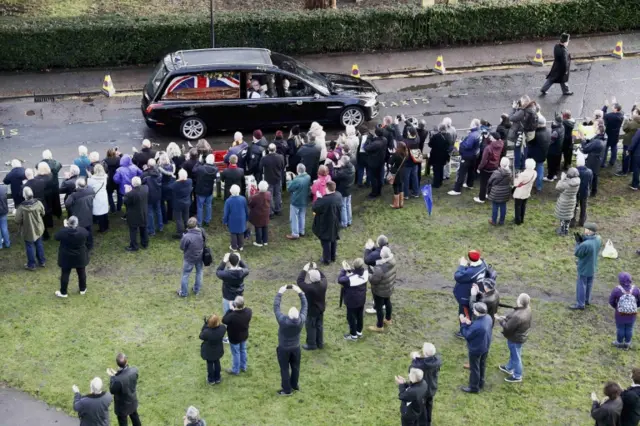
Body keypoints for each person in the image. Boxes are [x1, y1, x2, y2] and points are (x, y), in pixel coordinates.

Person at [273, 284, 308, 396]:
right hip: (296, 347)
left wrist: (280, 293)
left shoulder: (283, 321)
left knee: (284, 369)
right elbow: (305, 305)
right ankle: (294, 385)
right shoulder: (301, 320)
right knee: (295, 367)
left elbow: (276, 307)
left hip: (284, 348)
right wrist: (300, 292)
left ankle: (287, 390)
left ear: (288, 315)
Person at [496, 293, 532, 383]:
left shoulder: (518, 316)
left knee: (516, 357)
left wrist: (500, 320)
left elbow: (507, 328)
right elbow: (514, 317)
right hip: (520, 336)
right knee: (514, 353)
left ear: (519, 302)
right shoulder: (527, 308)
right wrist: (506, 317)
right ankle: (509, 368)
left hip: (515, 339)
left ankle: (517, 376)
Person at [459, 302, 492, 393]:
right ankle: (481, 382)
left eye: (474, 309)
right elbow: (476, 326)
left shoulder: (477, 326)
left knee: (474, 368)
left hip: (476, 349)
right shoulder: (488, 318)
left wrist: (463, 324)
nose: (473, 310)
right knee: (482, 365)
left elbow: (467, 335)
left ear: (477, 312)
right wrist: (470, 323)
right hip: (485, 346)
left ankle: (474, 387)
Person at [453, 250, 487, 337]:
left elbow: (458, 276)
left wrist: (461, 265)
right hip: (476, 292)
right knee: (471, 312)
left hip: (466, 296)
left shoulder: (470, 272)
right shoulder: (483, 264)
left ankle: (464, 332)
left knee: (465, 313)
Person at [54, 216, 89, 298]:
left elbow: (56, 237)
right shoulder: (82, 231)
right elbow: (87, 235)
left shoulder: (63, 232)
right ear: (77, 223)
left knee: (65, 274)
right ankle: (82, 289)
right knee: (81, 272)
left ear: (68, 223)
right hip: (80, 256)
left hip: (66, 257)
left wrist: (65, 227)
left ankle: (63, 292)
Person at [569, 222, 602, 310]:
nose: (584, 230)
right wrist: (584, 239)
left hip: (584, 268)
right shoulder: (598, 238)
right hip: (592, 266)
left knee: (581, 285)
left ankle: (580, 304)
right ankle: (587, 300)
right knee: (589, 283)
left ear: (589, 231)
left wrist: (578, 243)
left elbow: (577, 253)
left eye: (586, 229)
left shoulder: (585, 244)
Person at [296, 262, 328, 351]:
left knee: (311, 327)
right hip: (321, 309)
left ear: (311, 279)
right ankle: (320, 343)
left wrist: (304, 270)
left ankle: (311, 344)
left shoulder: (309, 288)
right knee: (319, 326)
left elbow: (299, 281)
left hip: (312, 311)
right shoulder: (324, 284)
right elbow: (323, 277)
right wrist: (316, 268)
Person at [409, 343, 441, 426]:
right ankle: (428, 422)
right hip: (432, 387)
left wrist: (415, 358)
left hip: (422, 390)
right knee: (429, 405)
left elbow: (411, 370)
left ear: (425, 353)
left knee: (421, 410)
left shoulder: (421, 365)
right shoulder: (437, 360)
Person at [15, 187, 45, 271]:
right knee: (39, 244)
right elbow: (43, 213)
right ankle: (42, 261)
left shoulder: (21, 207)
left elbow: (17, 220)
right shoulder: (38, 203)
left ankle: (31, 265)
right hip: (38, 227)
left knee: (29, 246)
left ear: (24, 195)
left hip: (28, 230)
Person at [338, 258, 369, 341]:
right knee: (359, 316)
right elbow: (357, 273)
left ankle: (353, 335)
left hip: (351, 301)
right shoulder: (366, 273)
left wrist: (344, 270)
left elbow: (340, 280)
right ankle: (359, 332)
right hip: (361, 299)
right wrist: (349, 270)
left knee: (351, 318)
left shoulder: (350, 279)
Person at [312, 181, 342, 265]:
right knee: (334, 238)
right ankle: (333, 256)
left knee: (326, 241)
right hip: (335, 221)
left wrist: (318, 198)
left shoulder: (325, 200)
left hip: (326, 223)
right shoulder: (338, 195)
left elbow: (315, 208)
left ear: (327, 188)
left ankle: (326, 259)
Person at [448, 120, 482, 195]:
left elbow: (467, 145)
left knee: (461, 172)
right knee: (471, 170)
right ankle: (470, 184)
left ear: (474, 125)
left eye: (471, 123)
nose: (470, 124)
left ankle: (457, 190)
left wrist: (461, 143)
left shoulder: (472, 135)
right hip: (474, 155)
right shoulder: (478, 133)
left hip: (467, 155)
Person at [608, 272, 640, 349]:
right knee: (629, 328)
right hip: (632, 314)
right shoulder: (636, 289)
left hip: (620, 314)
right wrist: (636, 306)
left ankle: (619, 343)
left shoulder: (616, 290)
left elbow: (611, 301)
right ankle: (627, 344)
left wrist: (616, 307)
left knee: (620, 328)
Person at [107, 353, 140, 426]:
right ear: (126, 361)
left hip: (122, 407)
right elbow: (126, 378)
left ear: (117, 364)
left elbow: (112, 390)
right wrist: (116, 374)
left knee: (123, 423)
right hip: (132, 401)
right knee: (135, 418)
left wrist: (112, 377)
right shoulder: (134, 370)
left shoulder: (117, 380)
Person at [368, 246, 396, 332]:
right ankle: (388, 319)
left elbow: (373, 280)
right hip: (389, 287)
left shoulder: (379, 268)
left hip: (380, 291)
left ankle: (379, 326)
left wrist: (369, 275)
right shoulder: (393, 261)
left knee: (379, 308)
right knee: (388, 302)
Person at [222, 295, 252, 375]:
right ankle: (243, 366)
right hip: (244, 335)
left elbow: (224, 320)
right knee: (243, 350)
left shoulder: (232, 315)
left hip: (234, 337)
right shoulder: (249, 311)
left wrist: (230, 310)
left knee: (236, 353)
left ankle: (235, 370)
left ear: (235, 305)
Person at [64, 178, 95, 251]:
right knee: (89, 230)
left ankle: (80, 245)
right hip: (88, 214)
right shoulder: (90, 190)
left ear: (77, 186)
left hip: (78, 216)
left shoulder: (74, 195)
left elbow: (67, 204)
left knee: (78, 232)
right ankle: (90, 244)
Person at [216, 252, 250, 318]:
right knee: (239, 316)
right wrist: (240, 260)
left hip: (228, 297)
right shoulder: (242, 272)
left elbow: (218, 271)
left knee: (227, 316)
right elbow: (247, 269)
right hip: (239, 297)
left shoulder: (226, 274)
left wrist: (224, 261)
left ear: (229, 262)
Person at [177, 217, 205, 297]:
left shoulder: (186, 236)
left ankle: (184, 293)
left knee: (185, 275)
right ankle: (197, 290)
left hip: (189, 258)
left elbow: (182, 247)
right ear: (196, 225)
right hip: (200, 256)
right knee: (199, 272)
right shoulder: (201, 232)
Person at [475, 132, 504, 204]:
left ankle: (481, 198)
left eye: (490, 136)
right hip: (495, 166)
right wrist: (486, 139)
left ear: (493, 138)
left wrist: (479, 168)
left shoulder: (488, 148)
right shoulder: (501, 144)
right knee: (491, 182)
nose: (489, 137)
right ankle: (489, 194)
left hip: (486, 168)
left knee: (483, 184)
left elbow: (484, 160)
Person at [580, 119, 606, 197]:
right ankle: (594, 191)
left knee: (590, 175)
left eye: (596, 128)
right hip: (598, 158)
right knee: (595, 175)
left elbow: (585, 149)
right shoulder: (603, 138)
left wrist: (583, 140)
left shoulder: (597, 141)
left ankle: (588, 190)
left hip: (593, 160)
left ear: (599, 130)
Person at [123, 177, 149, 252]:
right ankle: (145, 243)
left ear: (132, 184)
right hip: (143, 212)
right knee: (143, 228)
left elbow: (126, 202)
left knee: (133, 231)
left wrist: (127, 192)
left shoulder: (131, 194)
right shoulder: (145, 188)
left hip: (134, 215)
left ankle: (134, 246)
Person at [199, 314, 226, 385]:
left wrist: (205, 325)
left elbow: (201, 336)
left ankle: (211, 380)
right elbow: (220, 326)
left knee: (210, 364)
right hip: (218, 350)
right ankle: (218, 378)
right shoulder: (222, 328)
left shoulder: (207, 332)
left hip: (209, 352)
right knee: (217, 362)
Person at [286, 164, 310, 240]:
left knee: (294, 217)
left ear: (297, 170)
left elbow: (289, 189)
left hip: (296, 200)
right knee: (302, 215)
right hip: (304, 200)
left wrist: (289, 180)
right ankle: (301, 231)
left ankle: (295, 233)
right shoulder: (308, 177)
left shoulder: (297, 180)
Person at [259, 143, 284, 217]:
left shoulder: (264, 158)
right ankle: (278, 209)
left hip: (268, 179)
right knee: (277, 194)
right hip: (277, 178)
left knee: (269, 195)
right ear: (275, 149)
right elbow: (283, 166)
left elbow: (260, 168)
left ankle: (270, 212)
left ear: (268, 150)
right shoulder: (280, 157)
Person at [193, 154, 218, 227]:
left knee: (200, 207)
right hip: (209, 190)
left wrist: (198, 162)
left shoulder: (201, 168)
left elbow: (194, 170)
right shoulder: (216, 169)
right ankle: (207, 220)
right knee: (208, 205)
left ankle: (199, 222)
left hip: (200, 190)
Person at [527, 114, 550, 192]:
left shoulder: (536, 134)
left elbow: (529, 143)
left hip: (534, 155)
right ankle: (539, 186)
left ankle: (530, 184)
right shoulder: (549, 130)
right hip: (543, 154)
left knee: (531, 170)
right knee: (540, 169)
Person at [554, 168, 581, 236]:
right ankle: (566, 230)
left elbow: (557, 187)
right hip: (572, 200)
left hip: (564, 201)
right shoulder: (578, 181)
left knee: (563, 216)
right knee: (568, 216)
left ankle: (562, 231)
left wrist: (562, 179)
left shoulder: (567, 184)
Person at [487, 157, 512, 226]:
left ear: (500, 163)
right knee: (503, 206)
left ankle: (494, 221)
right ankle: (501, 221)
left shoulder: (496, 172)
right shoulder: (509, 172)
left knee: (495, 206)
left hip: (496, 192)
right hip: (505, 192)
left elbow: (490, 181)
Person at [223, 184, 248, 252]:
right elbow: (246, 209)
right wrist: (247, 218)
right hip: (242, 218)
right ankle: (241, 246)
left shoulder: (228, 201)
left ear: (231, 191)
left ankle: (234, 246)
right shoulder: (243, 199)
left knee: (233, 233)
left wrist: (225, 221)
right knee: (241, 232)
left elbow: (226, 213)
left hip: (232, 219)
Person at [39, 149, 63, 219]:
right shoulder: (55, 163)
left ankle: (49, 216)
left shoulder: (41, 164)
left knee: (47, 202)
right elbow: (60, 165)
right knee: (56, 200)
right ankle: (58, 214)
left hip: (45, 185)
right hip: (54, 185)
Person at [141, 159, 163, 236]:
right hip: (158, 194)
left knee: (149, 212)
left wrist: (144, 170)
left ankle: (151, 230)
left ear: (148, 165)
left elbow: (141, 182)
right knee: (158, 210)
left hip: (149, 195)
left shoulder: (145, 175)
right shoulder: (159, 173)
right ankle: (160, 226)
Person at [512, 158, 537, 225]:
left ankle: (517, 220)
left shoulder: (522, 174)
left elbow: (516, 184)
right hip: (527, 191)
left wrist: (516, 177)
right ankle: (522, 219)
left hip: (519, 193)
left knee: (517, 206)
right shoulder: (534, 173)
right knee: (523, 205)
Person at [364, 128, 387, 198]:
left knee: (373, 179)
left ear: (376, 134)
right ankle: (379, 192)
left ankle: (374, 193)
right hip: (381, 161)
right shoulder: (384, 139)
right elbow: (376, 142)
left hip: (374, 163)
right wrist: (373, 138)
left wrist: (368, 139)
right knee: (379, 177)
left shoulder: (376, 144)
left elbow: (366, 148)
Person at [602, 98, 625, 168]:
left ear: (615, 109)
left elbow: (602, 113)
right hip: (616, 134)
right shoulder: (621, 115)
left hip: (608, 134)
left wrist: (605, 106)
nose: (612, 107)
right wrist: (615, 103)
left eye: (613, 107)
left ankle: (602, 163)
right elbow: (620, 110)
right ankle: (612, 161)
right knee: (614, 148)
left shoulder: (610, 116)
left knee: (605, 149)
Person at [617, 107, 640, 177]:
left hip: (628, 142)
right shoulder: (637, 122)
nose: (632, 113)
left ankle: (624, 171)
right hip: (636, 143)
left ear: (637, 114)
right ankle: (631, 170)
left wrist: (626, 120)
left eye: (634, 112)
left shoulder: (632, 122)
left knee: (626, 157)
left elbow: (625, 129)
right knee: (633, 156)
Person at [170, 169, 193, 238]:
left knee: (178, 219)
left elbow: (170, 187)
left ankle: (180, 233)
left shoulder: (175, 184)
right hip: (187, 202)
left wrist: (176, 180)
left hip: (178, 204)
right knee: (186, 216)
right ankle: (187, 229)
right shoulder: (189, 181)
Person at [572, 153, 592, 228]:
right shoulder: (589, 171)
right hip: (585, 191)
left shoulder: (574, 171)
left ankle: (572, 221)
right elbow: (590, 182)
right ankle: (582, 221)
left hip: (576, 191)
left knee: (573, 206)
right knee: (583, 207)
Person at [248, 181, 271, 247]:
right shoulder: (268, 194)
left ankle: (259, 242)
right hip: (265, 214)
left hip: (257, 215)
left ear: (259, 187)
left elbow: (250, 204)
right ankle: (265, 240)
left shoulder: (255, 197)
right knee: (265, 226)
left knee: (258, 227)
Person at [333, 154, 355, 227]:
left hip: (343, 190)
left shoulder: (343, 172)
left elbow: (335, 177)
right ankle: (349, 220)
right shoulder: (352, 167)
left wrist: (336, 168)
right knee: (348, 204)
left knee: (343, 206)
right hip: (349, 189)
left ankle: (344, 222)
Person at [34, 162, 54, 240]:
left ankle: (45, 234)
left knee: (42, 216)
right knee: (48, 213)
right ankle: (50, 224)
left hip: (42, 198)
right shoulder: (50, 175)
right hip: (49, 197)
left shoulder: (38, 179)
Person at [87, 164, 110, 233]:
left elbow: (89, 186)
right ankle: (106, 226)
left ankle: (102, 228)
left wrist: (89, 176)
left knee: (99, 212)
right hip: (104, 195)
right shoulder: (105, 177)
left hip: (97, 196)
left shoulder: (91, 180)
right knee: (104, 211)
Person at [544, 115, 565, 181]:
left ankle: (550, 177)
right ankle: (555, 174)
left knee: (551, 164)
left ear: (556, 121)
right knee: (556, 163)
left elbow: (551, 141)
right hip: (559, 149)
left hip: (553, 150)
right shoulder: (562, 127)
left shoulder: (555, 131)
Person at [428, 124, 450, 189]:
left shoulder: (436, 136)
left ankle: (436, 184)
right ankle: (440, 181)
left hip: (435, 155)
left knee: (436, 170)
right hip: (444, 155)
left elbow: (430, 144)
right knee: (441, 169)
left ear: (440, 129)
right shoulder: (448, 135)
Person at [157, 153, 176, 223]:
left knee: (162, 203)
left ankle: (164, 219)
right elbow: (172, 162)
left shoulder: (160, 168)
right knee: (170, 202)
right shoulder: (172, 166)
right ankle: (170, 216)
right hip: (171, 185)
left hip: (163, 187)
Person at [389, 142, 408, 208]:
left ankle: (396, 204)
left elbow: (390, 162)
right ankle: (401, 203)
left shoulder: (396, 154)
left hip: (396, 172)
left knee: (396, 187)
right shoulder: (406, 154)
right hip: (403, 171)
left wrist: (392, 154)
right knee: (401, 186)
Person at [104, 148, 123, 213]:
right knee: (119, 194)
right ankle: (119, 208)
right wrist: (120, 155)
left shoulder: (105, 160)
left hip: (109, 180)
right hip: (117, 178)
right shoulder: (118, 159)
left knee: (109, 194)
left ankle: (112, 209)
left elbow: (105, 170)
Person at [0, 182, 9, 249]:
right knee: (4, 228)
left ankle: (0, 245)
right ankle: (7, 243)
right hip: (3, 210)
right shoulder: (4, 188)